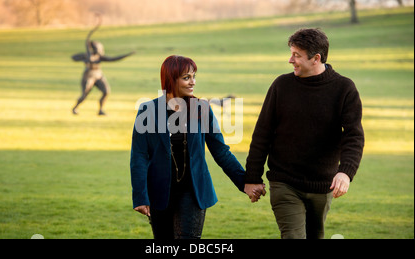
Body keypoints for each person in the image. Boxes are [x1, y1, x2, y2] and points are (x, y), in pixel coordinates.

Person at [244, 28, 365, 239]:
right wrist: (253, 178)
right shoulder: (281, 85)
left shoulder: (344, 88)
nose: (290, 60)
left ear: (316, 58)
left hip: (323, 185)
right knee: (292, 236)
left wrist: (345, 172)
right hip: (284, 182)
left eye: (296, 55)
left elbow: (354, 135)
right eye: (291, 53)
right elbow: (262, 133)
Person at [130, 55, 257, 239]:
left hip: (193, 191)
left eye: (194, 76)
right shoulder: (148, 111)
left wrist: (244, 181)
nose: (193, 82)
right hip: (159, 193)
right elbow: (139, 156)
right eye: (186, 77)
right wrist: (140, 196)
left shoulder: (202, 109)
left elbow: (220, 151)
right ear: (171, 79)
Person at [71, 17, 134, 115]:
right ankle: (75, 108)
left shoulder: (100, 57)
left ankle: (100, 110)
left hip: (98, 75)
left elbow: (113, 59)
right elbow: (73, 57)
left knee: (106, 91)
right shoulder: (88, 55)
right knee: (84, 94)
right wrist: (85, 58)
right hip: (88, 75)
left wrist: (127, 55)